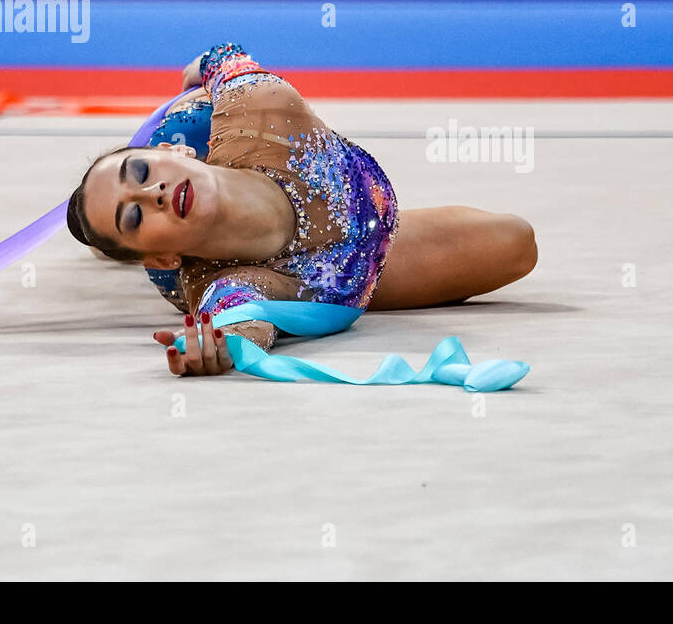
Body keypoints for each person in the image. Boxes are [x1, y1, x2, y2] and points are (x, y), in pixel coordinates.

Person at [66, 43, 537, 377]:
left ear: (176, 153)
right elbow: (241, 324)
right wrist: (222, 351)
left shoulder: (262, 107)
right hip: (353, 269)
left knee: (518, 239)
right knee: (512, 244)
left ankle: (130, 203)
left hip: (213, 134)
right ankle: (113, 247)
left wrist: (202, 68)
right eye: (135, 215)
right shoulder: (228, 283)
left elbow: (224, 57)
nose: (154, 195)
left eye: (144, 173)